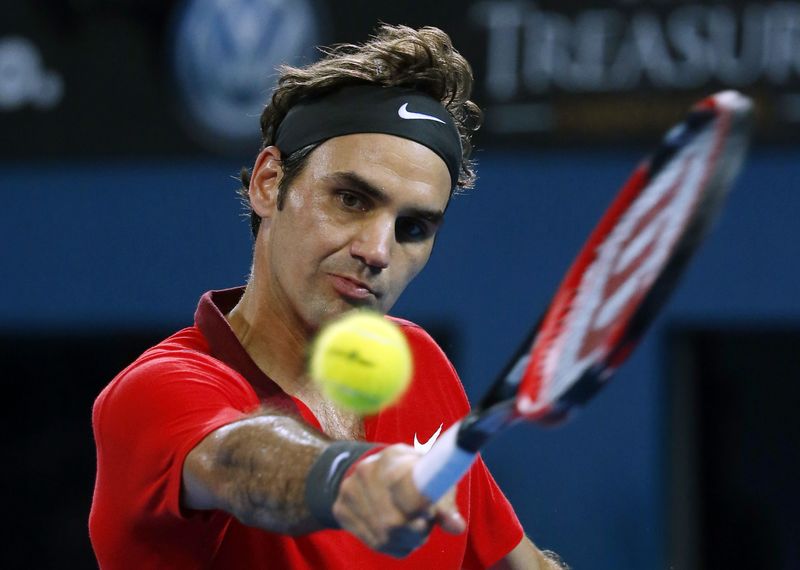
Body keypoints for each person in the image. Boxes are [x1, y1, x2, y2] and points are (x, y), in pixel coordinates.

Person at [89, 24, 566, 569]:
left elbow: (519, 563)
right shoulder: (158, 392)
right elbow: (237, 458)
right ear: (270, 183)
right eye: (351, 199)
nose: (378, 250)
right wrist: (346, 477)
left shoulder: (418, 364)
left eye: (412, 227)